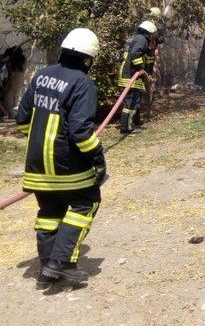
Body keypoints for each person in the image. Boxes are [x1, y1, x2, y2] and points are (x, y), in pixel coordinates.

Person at [15, 28, 105, 289]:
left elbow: (22, 122)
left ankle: (46, 271)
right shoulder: (82, 83)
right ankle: (60, 263)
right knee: (86, 203)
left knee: (50, 212)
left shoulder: (42, 76)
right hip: (67, 166)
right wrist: (98, 157)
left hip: (36, 167)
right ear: (89, 58)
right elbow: (80, 132)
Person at [118, 20, 157, 134]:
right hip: (131, 75)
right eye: (152, 34)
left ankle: (129, 125)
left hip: (128, 74)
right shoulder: (141, 39)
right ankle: (127, 128)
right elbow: (135, 53)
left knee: (131, 102)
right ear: (149, 32)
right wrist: (141, 68)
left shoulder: (135, 39)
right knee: (131, 102)